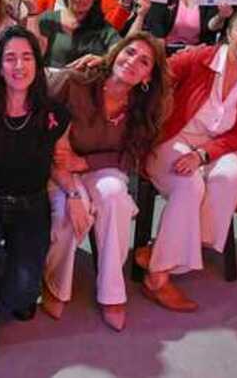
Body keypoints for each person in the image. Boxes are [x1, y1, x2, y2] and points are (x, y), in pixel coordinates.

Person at [137, 8, 237, 311]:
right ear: (228, 33)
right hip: (173, 139)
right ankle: (157, 278)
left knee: (232, 177)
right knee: (190, 185)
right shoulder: (199, 57)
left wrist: (203, 154)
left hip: (214, 147)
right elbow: (154, 74)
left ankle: (162, 250)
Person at [42, 34, 171, 331]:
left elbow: (131, 157)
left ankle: (112, 293)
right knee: (66, 208)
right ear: (115, 53)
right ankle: (54, 283)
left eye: (144, 62)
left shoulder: (145, 106)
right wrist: (72, 184)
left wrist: (85, 164)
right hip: (60, 164)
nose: (133, 63)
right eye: (130, 53)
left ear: (148, 76)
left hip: (104, 166)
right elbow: (41, 126)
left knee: (114, 196)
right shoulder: (75, 82)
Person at [0, 26, 71, 364]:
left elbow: (61, 162)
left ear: (37, 64)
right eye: (10, 58)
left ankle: (0, 280)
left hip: (31, 204)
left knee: (22, 298)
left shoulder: (53, 114)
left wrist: (77, 195)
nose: (18, 66)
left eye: (26, 57)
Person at [33, 0, 120, 68]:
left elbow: (119, 52)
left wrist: (103, 60)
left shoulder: (102, 26)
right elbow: (34, 53)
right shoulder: (49, 19)